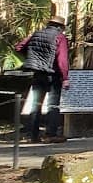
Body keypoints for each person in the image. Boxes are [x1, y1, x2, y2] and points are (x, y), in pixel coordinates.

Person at [15, 13, 70, 143]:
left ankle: (33, 135)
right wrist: (65, 77)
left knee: (36, 104)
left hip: (38, 74)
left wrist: (31, 59)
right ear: (61, 27)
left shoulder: (37, 34)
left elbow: (19, 47)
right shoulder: (60, 37)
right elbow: (62, 59)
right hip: (53, 74)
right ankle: (50, 134)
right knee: (53, 105)